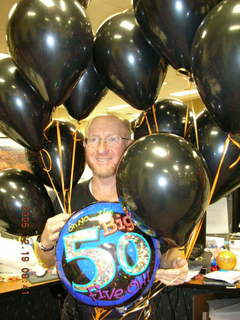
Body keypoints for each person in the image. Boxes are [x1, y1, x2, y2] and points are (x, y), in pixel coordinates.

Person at [35, 114, 188, 319]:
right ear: (85, 145)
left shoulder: (148, 198)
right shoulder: (67, 198)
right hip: (79, 313)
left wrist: (176, 263)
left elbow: (167, 252)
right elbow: (47, 262)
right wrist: (45, 242)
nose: (101, 149)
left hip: (139, 313)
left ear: (129, 146)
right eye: (94, 139)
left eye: (112, 139)